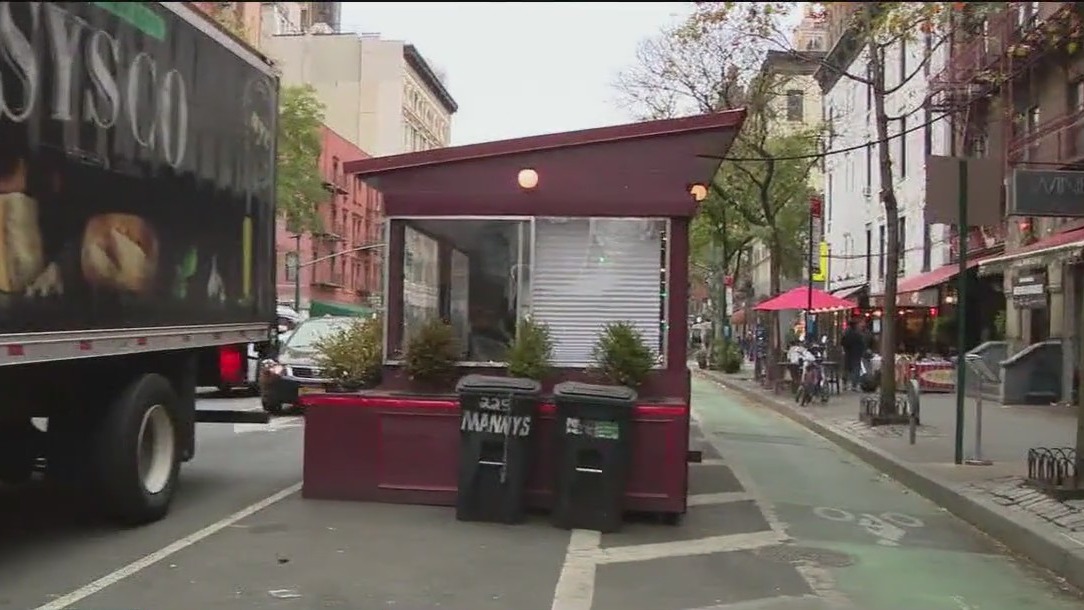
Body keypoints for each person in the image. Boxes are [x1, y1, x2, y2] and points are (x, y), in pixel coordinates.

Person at [840, 318, 867, 391]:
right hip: (856, 353)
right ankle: (854, 385)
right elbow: (862, 344)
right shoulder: (858, 334)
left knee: (846, 369)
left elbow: (842, 342)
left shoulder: (846, 333)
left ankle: (844, 384)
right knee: (855, 369)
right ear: (855, 325)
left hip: (848, 353)